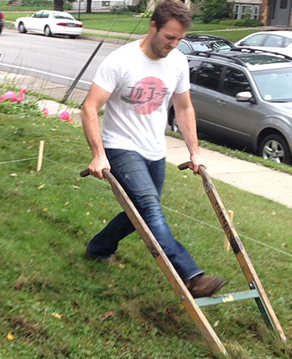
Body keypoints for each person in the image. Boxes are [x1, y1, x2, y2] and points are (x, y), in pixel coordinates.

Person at [81, 0, 226, 298]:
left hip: (154, 149)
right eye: (169, 37)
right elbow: (89, 107)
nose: (173, 45)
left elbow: (184, 108)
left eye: (180, 40)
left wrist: (194, 152)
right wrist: (99, 154)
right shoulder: (121, 61)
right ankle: (191, 275)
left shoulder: (177, 62)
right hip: (120, 147)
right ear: (153, 27)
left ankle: (98, 247)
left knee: (143, 213)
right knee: (150, 208)